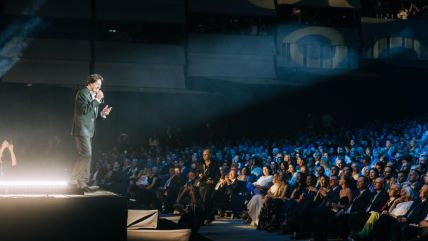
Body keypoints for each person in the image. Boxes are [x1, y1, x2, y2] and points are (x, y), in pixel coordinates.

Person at [70, 74, 112, 192]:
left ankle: (83, 182)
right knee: (85, 154)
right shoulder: (82, 93)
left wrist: (102, 115)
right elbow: (84, 110)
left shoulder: (93, 96)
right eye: (97, 84)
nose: (99, 87)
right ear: (90, 83)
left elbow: (91, 116)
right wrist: (97, 99)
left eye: (100, 85)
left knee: (88, 155)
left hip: (88, 130)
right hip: (81, 129)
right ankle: (73, 179)